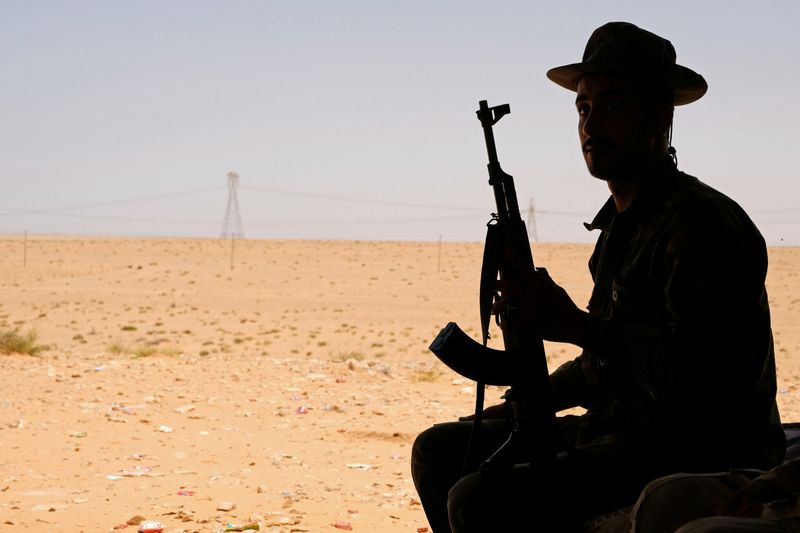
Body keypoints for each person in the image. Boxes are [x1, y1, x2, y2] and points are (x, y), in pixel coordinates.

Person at [411, 21, 785, 533]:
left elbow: (705, 381)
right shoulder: (620, 227)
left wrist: (573, 325)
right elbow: (606, 367)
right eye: (583, 108)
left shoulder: (699, 224)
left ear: (658, 117)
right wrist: (533, 396)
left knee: (477, 501)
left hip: (692, 450)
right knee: (437, 450)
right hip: (621, 433)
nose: (590, 124)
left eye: (610, 106)